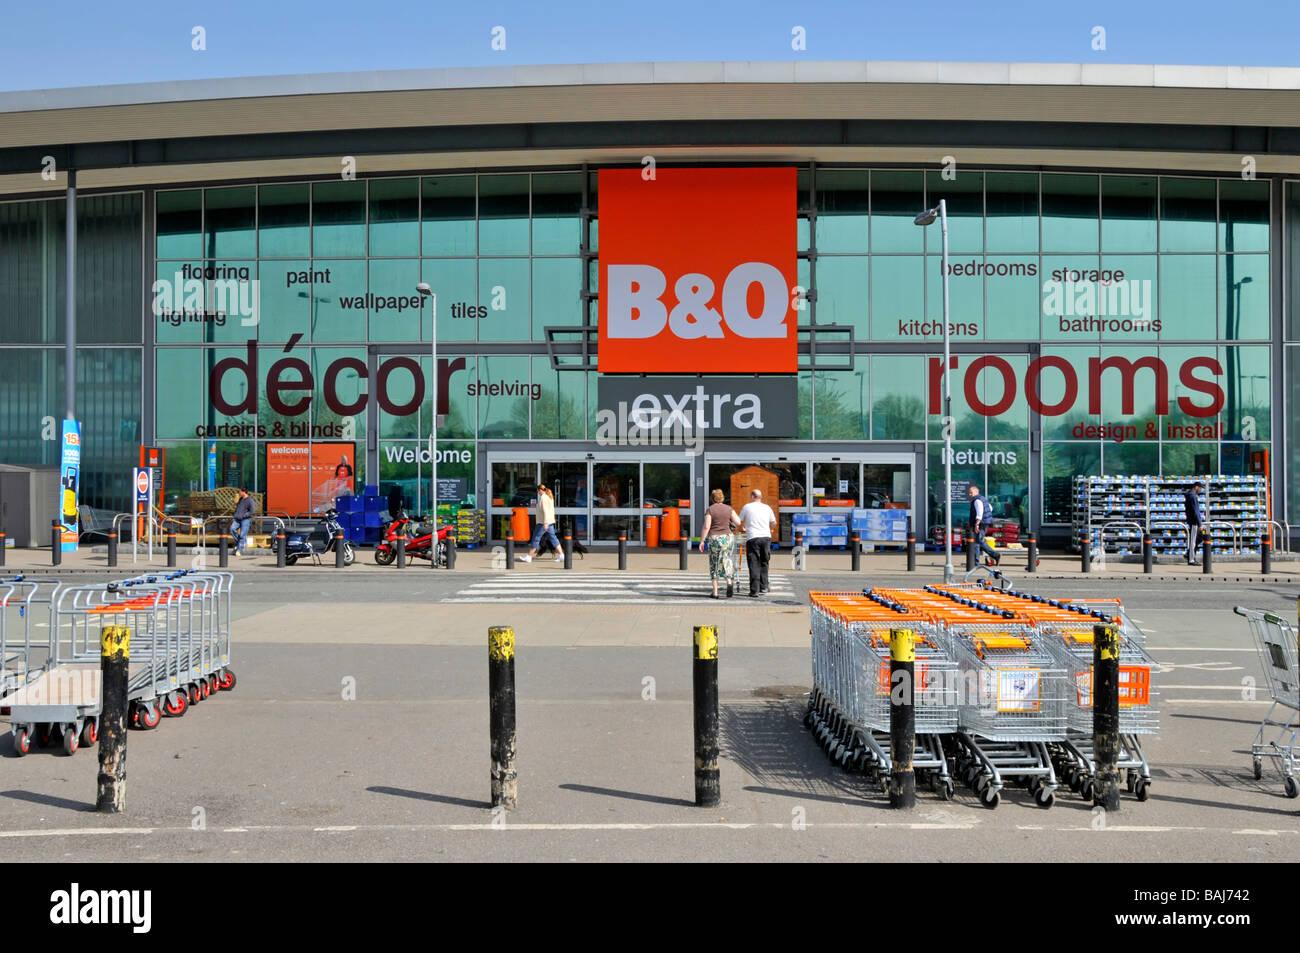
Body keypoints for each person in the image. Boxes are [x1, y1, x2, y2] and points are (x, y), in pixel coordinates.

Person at [699, 489, 741, 598]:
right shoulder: (729, 509)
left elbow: (706, 526)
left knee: (714, 563)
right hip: (728, 538)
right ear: (722, 497)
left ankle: (715, 592)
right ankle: (729, 582)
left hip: (715, 538)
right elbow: (738, 522)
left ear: (712, 498)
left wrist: (702, 540)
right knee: (726, 559)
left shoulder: (710, 510)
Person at [737, 489, 777, 597]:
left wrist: (742, 528)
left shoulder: (747, 507)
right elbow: (774, 523)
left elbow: (738, 521)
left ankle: (754, 590)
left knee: (754, 563)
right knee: (764, 562)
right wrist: (768, 529)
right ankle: (763, 587)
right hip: (766, 537)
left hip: (753, 538)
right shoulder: (767, 507)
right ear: (760, 497)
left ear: (752, 496)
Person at [519, 484, 562, 564]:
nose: (538, 492)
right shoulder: (549, 497)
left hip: (543, 522)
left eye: (538, 490)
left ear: (540, 490)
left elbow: (546, 511)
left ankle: (529, 556)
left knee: (536, 538)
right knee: (553, 538)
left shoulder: (543, 498)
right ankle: (561, 555)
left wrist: (545, 523)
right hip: (549, 522)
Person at [967, 484, 999, 566]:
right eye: (969, 493)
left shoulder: (977, 500)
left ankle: (976, 562)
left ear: (976, 492)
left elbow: (980, 512)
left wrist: (977, 524)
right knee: (979, 541)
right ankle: (994, 555)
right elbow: (990, 508)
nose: (970, 494)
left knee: (976, 542)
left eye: (971, 493)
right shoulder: (983, 499)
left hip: (981, 523)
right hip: (985, 522)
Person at [1184, 480, 1205, 565]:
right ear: (1196, 487)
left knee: (1199, 538)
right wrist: (1199, 523)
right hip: (1194, 522)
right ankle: (1191, 559)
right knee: (1193, 541)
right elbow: (1196, 511)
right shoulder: (1193, 496)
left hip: (1192, 520)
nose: (1200, 490)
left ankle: (1189, 554)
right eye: (1200, 488)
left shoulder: (1190, 495)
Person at [231, 488, 255, 557]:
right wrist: (236, 514)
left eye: (240, 492)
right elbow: (238, 508)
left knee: (242, 534)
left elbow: (252, 511)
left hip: (245, 519)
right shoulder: (241, 499)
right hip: (237, 518)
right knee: (232, 529)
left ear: (244, 492)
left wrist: (244, 515)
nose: (239, 493)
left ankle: (239, 550)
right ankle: (240, 544)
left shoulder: (250, 500)